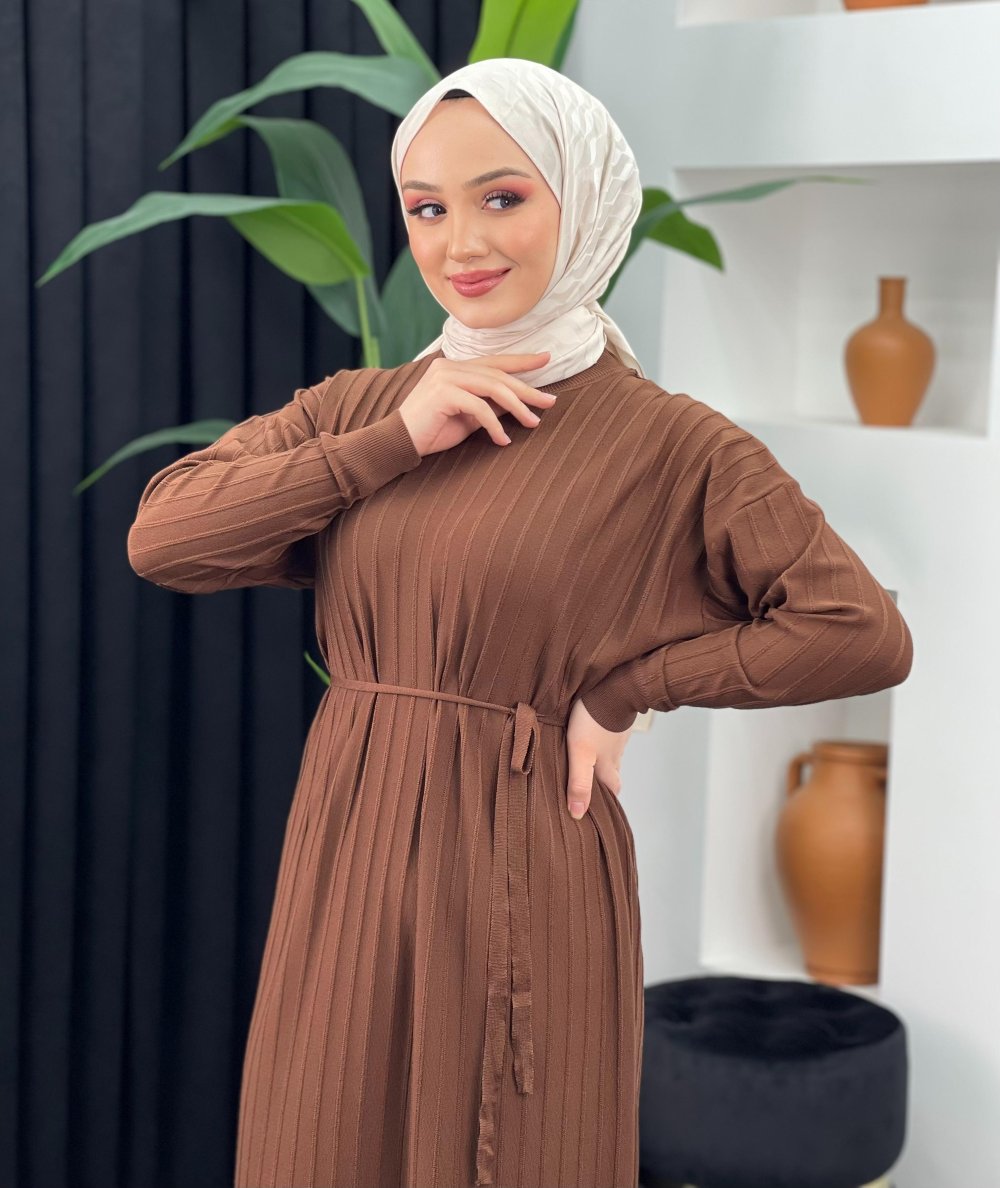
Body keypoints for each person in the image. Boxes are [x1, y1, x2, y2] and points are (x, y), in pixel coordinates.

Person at [126, 57, 914, 1188]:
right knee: (322, 1142)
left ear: (580, 198)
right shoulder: (361, 405)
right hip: (348, 853)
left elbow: (859, 630)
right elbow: (164, 538)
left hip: (522, 854)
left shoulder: (670, 444)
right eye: (427, 209)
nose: (461, 245)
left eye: (502, 197)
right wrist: (398, 437)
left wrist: (629, 689)